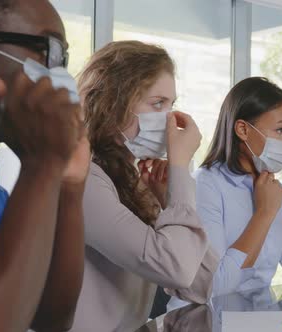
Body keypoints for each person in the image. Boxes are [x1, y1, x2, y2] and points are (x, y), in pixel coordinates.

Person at [72, 40, 218, 331]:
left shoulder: (132, 178)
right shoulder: (85, 180)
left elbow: (198, 285)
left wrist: (166, 201)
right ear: (114, 102)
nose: (169, 119)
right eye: (157, 103)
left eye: (171, 105)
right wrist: (180, 168)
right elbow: (175, 269)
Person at [0, 1, 88, 331]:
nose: (57, 72)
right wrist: (41, 164)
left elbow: (50, 319)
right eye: (48, 48)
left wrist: (70, 187)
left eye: (63, 58)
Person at [174, 77, 282, 301]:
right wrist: (264, 213)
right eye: (280, 130)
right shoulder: (206, 184)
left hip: (256, 317)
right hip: (204, 319)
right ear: (243, 129)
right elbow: (217, 284)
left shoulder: (270, 187)